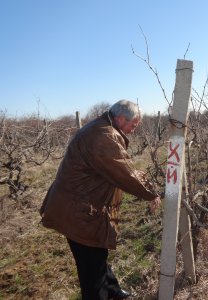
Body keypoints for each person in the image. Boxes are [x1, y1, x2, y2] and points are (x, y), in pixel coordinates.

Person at [40, 99, 161, 300]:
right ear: (121, 119)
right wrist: (151, 193)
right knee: (91, 268)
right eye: (133, 125)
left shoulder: (102, 128)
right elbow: (125, 173)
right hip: (79, 212)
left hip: (79, 205)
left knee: (97, 255)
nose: (133, 130)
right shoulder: (103, 136)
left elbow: (123, 166)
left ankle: (112, 290)